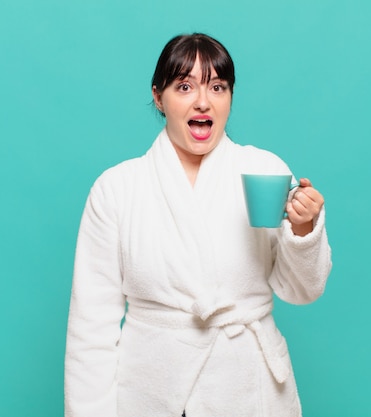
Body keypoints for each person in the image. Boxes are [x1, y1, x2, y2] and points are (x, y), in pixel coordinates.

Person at [64, 33, 332, 417]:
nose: (203, 101)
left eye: (218, 87)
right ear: (159, 96)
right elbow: (91, 329)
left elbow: (303, 290)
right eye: (185, 86)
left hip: (248, 389)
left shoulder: (265, 171)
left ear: (230, 98)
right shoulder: (117, 189)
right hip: (150, 392)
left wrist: (303, 231)